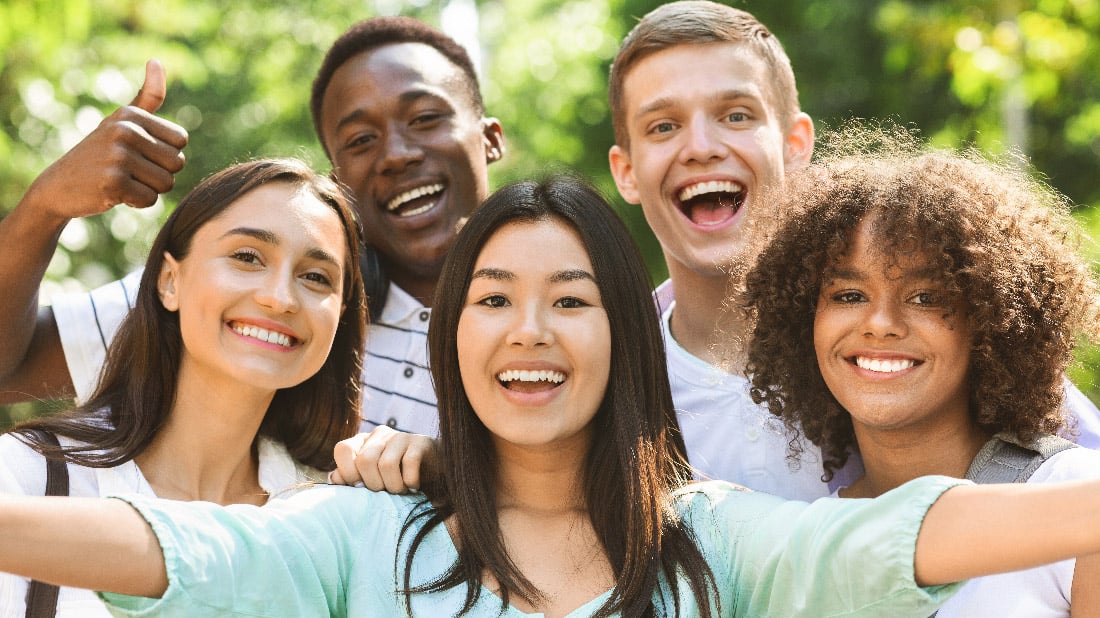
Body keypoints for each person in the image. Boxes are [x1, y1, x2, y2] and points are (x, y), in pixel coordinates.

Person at [9, 175, 1100, 617]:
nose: (528, 329)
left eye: (568, 300)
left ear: (623, 340)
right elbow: (175, 549)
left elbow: (904, 535)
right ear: (453, 339)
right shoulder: (361, 533)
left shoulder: (718, 544)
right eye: (492, 299)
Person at [602, 0, 1100, 498]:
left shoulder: (906, 346)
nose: (701, 146)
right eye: (663, 126)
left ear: (795, 144)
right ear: (625, 171)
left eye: (735, 115)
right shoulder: (605, 380)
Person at [0, 17, 505, 439]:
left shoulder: (559, 311)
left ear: (490, 139)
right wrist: (45, 206)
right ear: (338, 182)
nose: (396, 154)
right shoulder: (255, 297)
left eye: (424, 118)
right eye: (360, 139)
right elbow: (9, 370)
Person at [741, 128, 1100, 615]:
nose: (881, 325)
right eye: (849, 296)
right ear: (805, 321)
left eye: (927, 297)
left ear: (990, 323)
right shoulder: (804, 540)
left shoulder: (1074, 498)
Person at [0, 157, 366, 616]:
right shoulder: (26, 475)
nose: (280, 298)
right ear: (170, 281)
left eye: (316, 277)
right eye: (247, 257)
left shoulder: (337, 519)